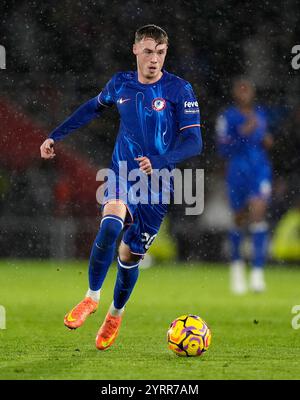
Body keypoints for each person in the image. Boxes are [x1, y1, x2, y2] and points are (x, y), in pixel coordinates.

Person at [40, 25, 202, 350]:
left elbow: (194, 142)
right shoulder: (121, 84)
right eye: (148, 51)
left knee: (129, 257)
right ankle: (91, 297)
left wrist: (159, 160)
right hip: (122, 174)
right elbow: (91, 108)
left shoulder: (179, 90)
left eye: (160, 52)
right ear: (135, 51)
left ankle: (115, 314)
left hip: (158, 187)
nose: (154, 59)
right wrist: (55, 135)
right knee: (111, 222)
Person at [215, 78, 273, 294]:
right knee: (239, 218)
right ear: (235, 94)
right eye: (240, 90)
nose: (244, 93)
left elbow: (263, 141)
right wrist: (241, 133)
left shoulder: (260, 114)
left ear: (252, 92)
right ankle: (237, 270)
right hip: (237, 171)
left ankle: (257, 273)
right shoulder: (227, 117)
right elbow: (222, 148)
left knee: (258, 211)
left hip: (259, 170)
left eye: (247, 89)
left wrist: (266, 140)